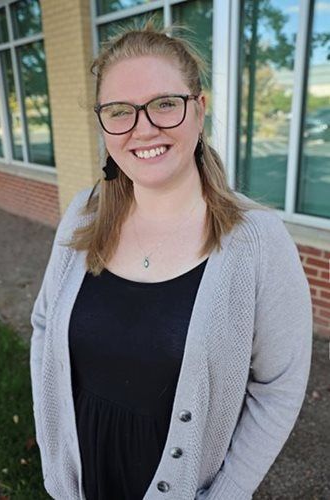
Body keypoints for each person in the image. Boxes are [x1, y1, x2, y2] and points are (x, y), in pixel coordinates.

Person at [30, 21, 313, 500]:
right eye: (120, 111)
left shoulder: (257, 242)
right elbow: (42, 326)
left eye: (164, 104)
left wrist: (226, 494)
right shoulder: (83, 215)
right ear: (104, 123)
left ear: (199, 111)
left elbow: (278, 387)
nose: (143, 129)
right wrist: (54, 452)